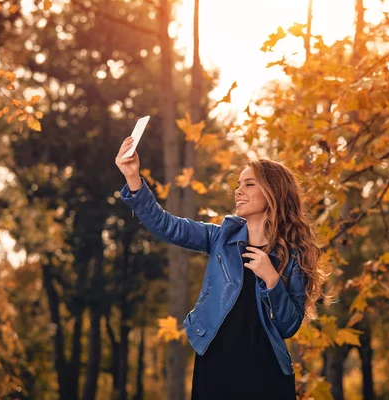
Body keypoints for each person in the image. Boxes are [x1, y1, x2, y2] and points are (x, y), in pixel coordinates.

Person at [115, 136, 327, 399]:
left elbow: (288, 327)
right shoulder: (221, 238)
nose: (238, 191)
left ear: (274, 193)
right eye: (238, 185)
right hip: (215, 364)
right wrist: (133, 179)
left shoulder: (293, 255)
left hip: (266, 373)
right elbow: (166, 225)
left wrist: (272, 280)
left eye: (249, 184)